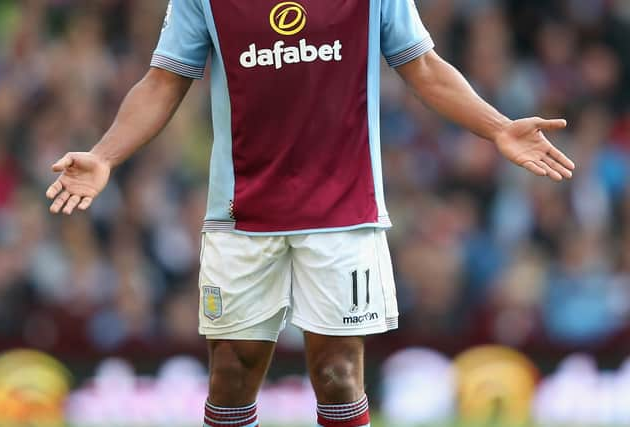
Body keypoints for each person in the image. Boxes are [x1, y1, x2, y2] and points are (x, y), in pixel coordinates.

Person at [46, 1, 575, 426]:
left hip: (343, 213)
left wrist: (498, 126)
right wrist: (105, 154)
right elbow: (163, 79)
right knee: (232, 372)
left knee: (339, 373)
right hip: (240, 215)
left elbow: (424, 67)